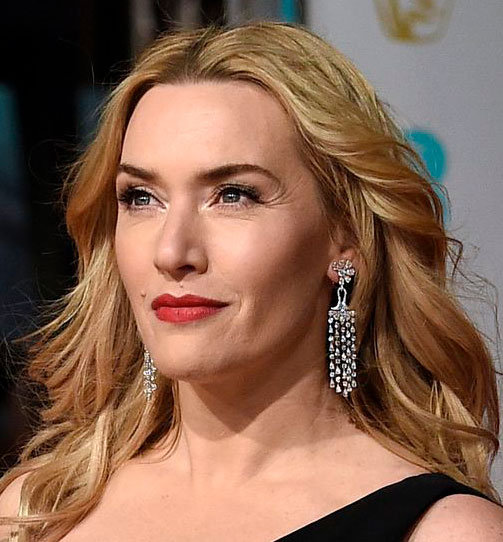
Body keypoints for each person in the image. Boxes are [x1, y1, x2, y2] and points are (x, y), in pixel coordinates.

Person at [0, 21, 502, 542]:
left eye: (233, 195)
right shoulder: (34, 515)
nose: (172, 253)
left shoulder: (445, 532)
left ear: (345, 236)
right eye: (142, 198)